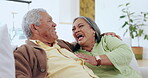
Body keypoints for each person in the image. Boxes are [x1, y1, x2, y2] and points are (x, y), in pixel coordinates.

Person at [14, 8, 99, 78]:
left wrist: (101, 35)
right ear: (35, 27)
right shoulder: (25, 51)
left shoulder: (60, 44)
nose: (54, 24)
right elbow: (18, 74)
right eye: (49, 21)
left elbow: (81, 42)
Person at [72, 16, 142, 78]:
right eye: (73, 29)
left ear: (93, 30)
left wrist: (96, 59)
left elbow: (126, 52)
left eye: (81, 26)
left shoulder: (106, 39)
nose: (76, 30)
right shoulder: (75, 53)